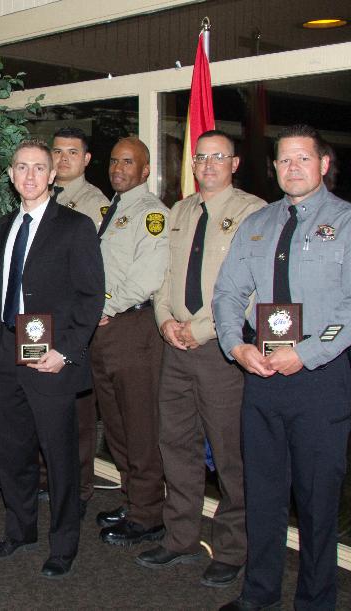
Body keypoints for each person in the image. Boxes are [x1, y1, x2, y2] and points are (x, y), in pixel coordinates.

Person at [214, 124, 351, 610]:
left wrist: (307, 352)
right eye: (284, 160)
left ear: (324, 165)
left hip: (319, 380)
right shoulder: (257, 224)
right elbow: (228, 292)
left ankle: (315, 602)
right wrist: (236, 345)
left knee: (316, 505)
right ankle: (259, 594)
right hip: (261, 376)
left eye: (302, 159)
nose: (292, 168)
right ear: (274, 167)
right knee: (263, 496)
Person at [139, 130, 266, 587]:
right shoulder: (180, 211)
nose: (208, 164)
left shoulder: (253, 213)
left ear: (235, 163)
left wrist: (200, 329)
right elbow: (165, 277)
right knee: (176, 446)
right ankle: (180, 539)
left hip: (221, 352)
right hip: (175, 347)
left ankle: (233, 549)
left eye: (219, 157)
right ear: (192, 165)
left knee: (231, 454)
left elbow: (250, 288)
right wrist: (164, 321)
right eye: (201, 157)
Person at [0, 139, 104, 579]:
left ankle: (64, 544)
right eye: (21, 168)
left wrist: (65, 353)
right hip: (10, 352)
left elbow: (90, 299)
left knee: (60, 456)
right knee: (13, 451)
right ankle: (20, 530)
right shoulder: (5, 224)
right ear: (11, 176)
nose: (29, 176)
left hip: (51, 357)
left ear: (53, 175)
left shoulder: (76, 226)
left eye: (39, 168)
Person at [92, 136, 171, 546]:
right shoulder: (115, 210)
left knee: (140, 426)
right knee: (118, 425)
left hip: (132, 329)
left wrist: (107, 307)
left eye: (129, 162)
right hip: (105, 331)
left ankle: (148, 515)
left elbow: (148, 276)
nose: (118, 168)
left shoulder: (152, 214)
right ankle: (131, 498)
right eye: (114, 160)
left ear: (144, 170)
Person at [50, 126, 110, 513]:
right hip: (41, 318)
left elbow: (93, 271)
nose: (64, 158)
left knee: (77, 411)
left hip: (74, 321)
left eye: (73, 152)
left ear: (86, 159)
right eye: (57, 151)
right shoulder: (40, 197)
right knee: (46, 404)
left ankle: (81, 486)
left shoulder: (93, 204)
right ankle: (49, 480)